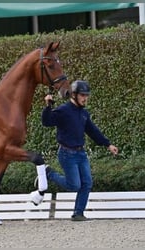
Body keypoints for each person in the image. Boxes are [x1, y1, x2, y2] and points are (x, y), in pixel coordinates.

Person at [30, 80, 118, 221]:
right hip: (67, 154)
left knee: (87, 183)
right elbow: (46, 122)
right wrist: (48, 106)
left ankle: (78, 213)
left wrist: (108, 144)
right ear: (74, 95)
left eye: (87, 95)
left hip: (81, 153)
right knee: (74, 185)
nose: (85, 98)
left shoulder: (83, 113)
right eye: (83, 95)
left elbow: (92, 131)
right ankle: (49, 173)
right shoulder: (63, 110)